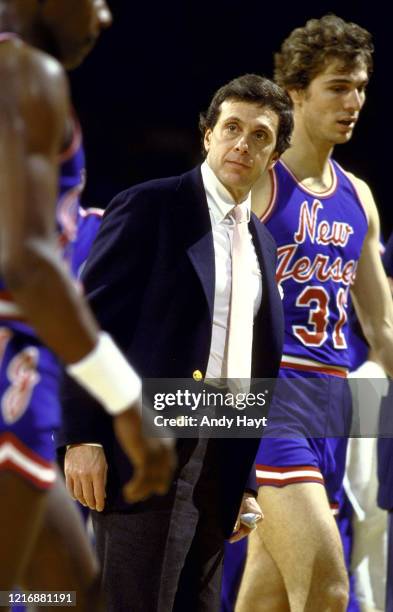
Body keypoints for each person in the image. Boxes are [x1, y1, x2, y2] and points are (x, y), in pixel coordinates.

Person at [59, 73, 293, 611]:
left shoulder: (262, 240)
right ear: (207, 134)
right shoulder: (151, 206)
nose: (243, 143)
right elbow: (87, 325)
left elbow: (243, 361)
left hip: (221, 463)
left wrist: (246, 478)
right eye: (232, 127)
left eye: (260, 136)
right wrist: (81, 436)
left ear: (275, 157)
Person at [0, 0, 174, 604]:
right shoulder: (25, 73)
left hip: (21, 378)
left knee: (73, 594)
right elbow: (26, 262)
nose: (103, 17)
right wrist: (124, 397)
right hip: (10, 372)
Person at [236, 14, 393, 612]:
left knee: (266, 599)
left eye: (360, 87)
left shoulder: (359, 196)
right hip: (261, 399)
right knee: (329, 587)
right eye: (337, 86)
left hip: (330, 405)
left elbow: (380, 328)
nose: (353, 101)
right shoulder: (255, 179)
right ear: (295, 92)